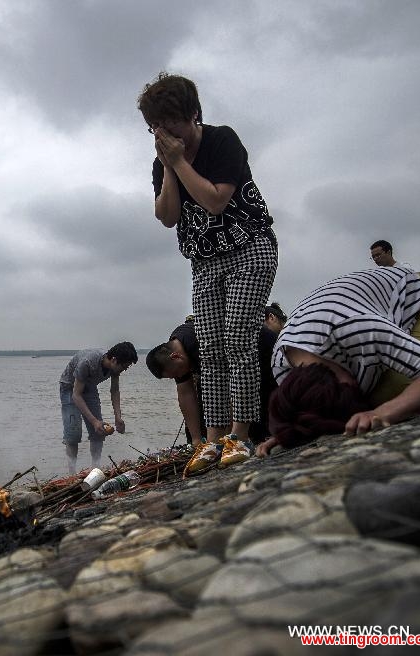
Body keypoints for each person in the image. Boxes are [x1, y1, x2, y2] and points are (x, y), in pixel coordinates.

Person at [137, 72, 278, 474]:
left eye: (172, 125)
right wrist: (168, 167)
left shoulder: (222, 141)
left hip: (250, 248)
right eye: (155, 129)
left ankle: (241, 434)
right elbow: (166, 217)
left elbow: (216, 201)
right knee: (211, 349)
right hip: (204, 261)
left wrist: (180, 161)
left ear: (193, 115)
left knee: (238, 338)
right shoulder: (163, 162)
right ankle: (213, 439)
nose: (165, 134)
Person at [259, 266, 420, 456]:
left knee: (391, 396)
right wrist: (292, 430)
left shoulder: (355, 328)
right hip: (358, 314)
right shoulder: (281, 365)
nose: (354, 388)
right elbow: (309, 411)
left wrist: (381, 412)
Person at [146, 316, 277, 467]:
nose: (178, 377)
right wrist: (196, 440)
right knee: (208, 418)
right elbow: (185, 392)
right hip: (233, 365)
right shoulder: (174, 348)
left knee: (262, 416)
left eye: (176, 374)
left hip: (262, 351)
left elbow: (229, 388)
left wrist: (228, 435)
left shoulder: (200, 344)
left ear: (175, 357)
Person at [59, 342, 138, 474]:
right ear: (114, 360)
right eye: (124, 367)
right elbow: (76, 395)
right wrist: (94, 421)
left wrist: (118, 417)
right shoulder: (87, 363)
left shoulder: (114, 367)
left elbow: (115, 391)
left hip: (89, 387)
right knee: (73, 434)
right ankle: (71, 473)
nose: (124, 370)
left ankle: (95, 468)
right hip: (69, 388)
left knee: (98, 431)